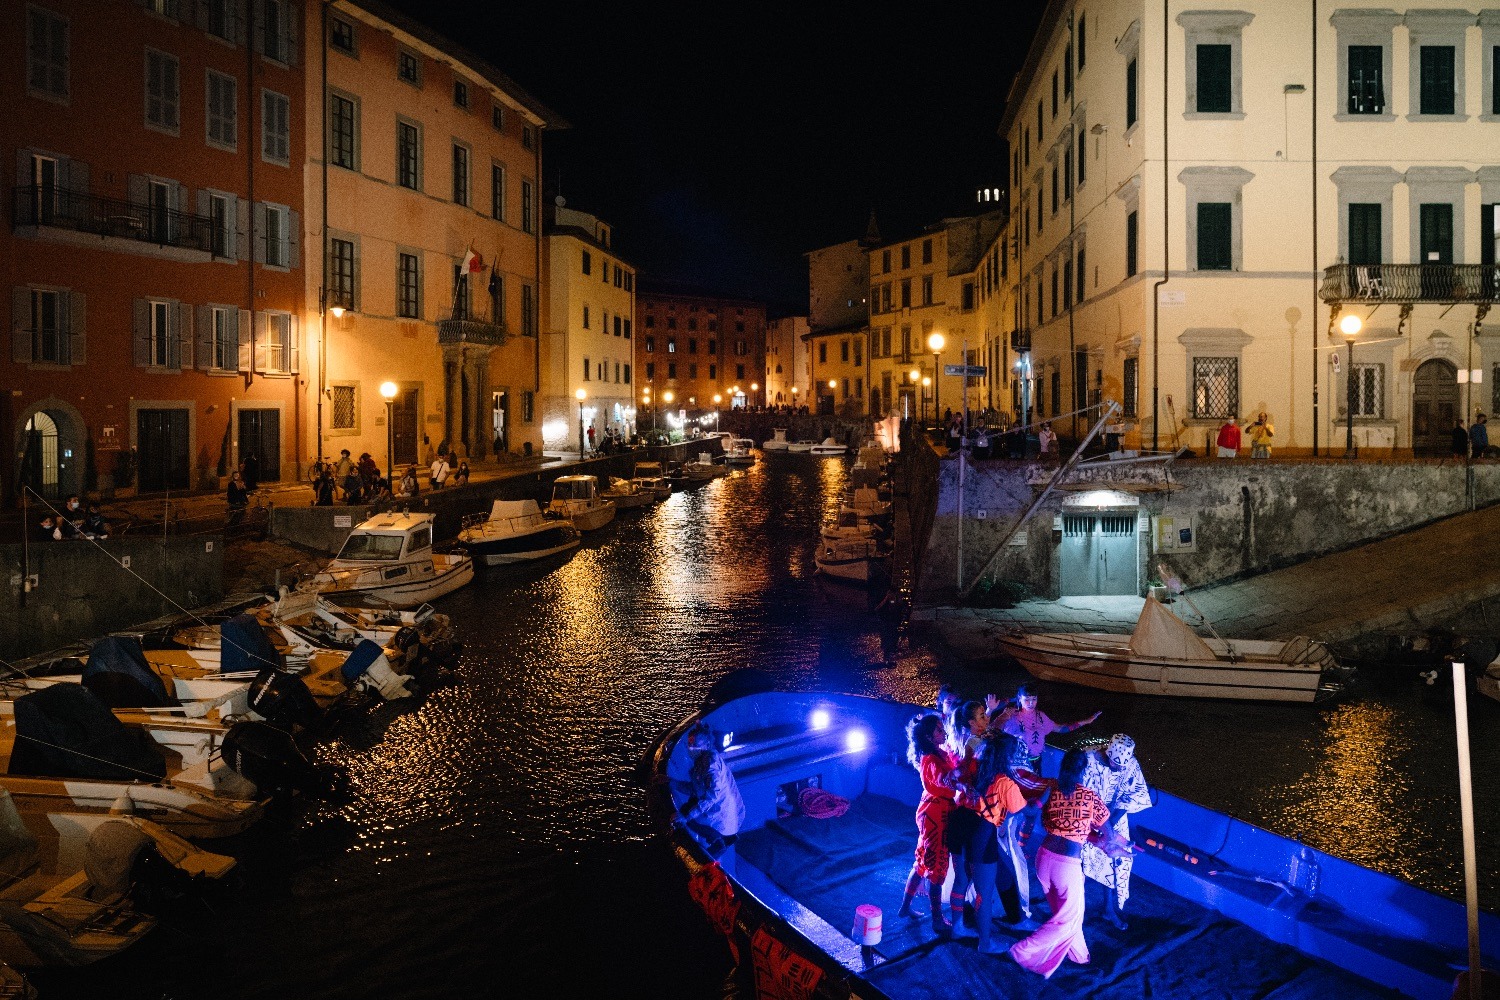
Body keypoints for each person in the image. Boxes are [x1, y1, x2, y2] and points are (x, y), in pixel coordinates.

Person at [1009, 748, 1111, 978]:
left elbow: (1033, 814)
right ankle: (1021, 951)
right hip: (1067, 867)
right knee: (1067, 919)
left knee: (1066, 915)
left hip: (1044, 859)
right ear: (1084, 770)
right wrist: (1119, 845)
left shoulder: (1051, 788)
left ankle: (1081, 957)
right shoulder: (1089, 797)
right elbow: (1109, 835)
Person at [896, 713, 961, 937]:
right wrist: (965, 777)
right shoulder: (933, 760)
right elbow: (947, 780)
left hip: (932, 810)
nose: (944, 733)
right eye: (939, 731)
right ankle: (937, 920)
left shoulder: (933, 754)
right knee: (937, 867)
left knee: (923, 861)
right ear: (930, 737)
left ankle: (905, 908)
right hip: (937, 815)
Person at [1081, 734, 1152, 930]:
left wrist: (1109, 827)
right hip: (1085, 816)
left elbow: (1132, 795)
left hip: (1114, 819)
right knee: (1078, 862)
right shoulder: (1088, 759)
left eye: (1123, 766)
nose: (1121, 769)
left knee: (1113, 864)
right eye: (1116, 765)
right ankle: (1074, 910)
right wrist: (1096, 825)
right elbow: (1077, 790)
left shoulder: (1130, 763)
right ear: (1107, 754)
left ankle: (1108, 909)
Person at [972, 733, 1034, 953]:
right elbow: (1027, 811)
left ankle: (1016, 919)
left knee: (1004, 875)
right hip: (984, 834)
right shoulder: (1005, 782)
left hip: (974, 829)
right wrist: (1046, 794)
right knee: (984, 891)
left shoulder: (981, 771)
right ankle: (985, 942)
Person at [671, 723, 745, 863]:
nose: (690, 750)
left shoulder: (711, 766)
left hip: (721, 818)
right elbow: (695, 790)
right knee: (687, 809)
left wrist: (686, 817)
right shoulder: (703, 763)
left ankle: (717, 844)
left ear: (702, 747)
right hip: (720, 813)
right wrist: (671, 782)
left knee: (688, 814)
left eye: (693, 747)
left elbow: (711, 797)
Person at [1001, 684, 1102, 765]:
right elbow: (996, 733)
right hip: (1016, 762)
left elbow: (1061, 729)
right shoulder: (1012, 716)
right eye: (1027, 699)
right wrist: (998, 713)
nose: (1031, 703)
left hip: (1036, 761)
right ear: (1019, 698)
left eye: (1034, 699)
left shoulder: (1041, 716)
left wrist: (1087, 721)